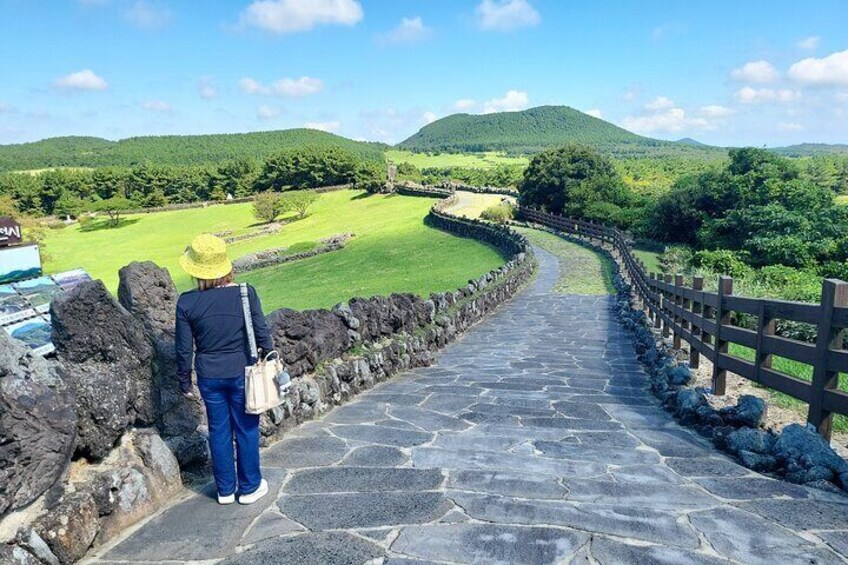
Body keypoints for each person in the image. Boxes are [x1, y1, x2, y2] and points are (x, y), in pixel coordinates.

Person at [175, 233, 274, 505]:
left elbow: (184, 348)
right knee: (246, 428)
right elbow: (261, 331)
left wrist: (184, 381)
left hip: (209, 375)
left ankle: (225, 490)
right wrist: (274, 357)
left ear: (195, 270)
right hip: (243, 373)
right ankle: (250, 487)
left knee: (218, 430)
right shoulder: (245, 293)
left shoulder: (186, 302)